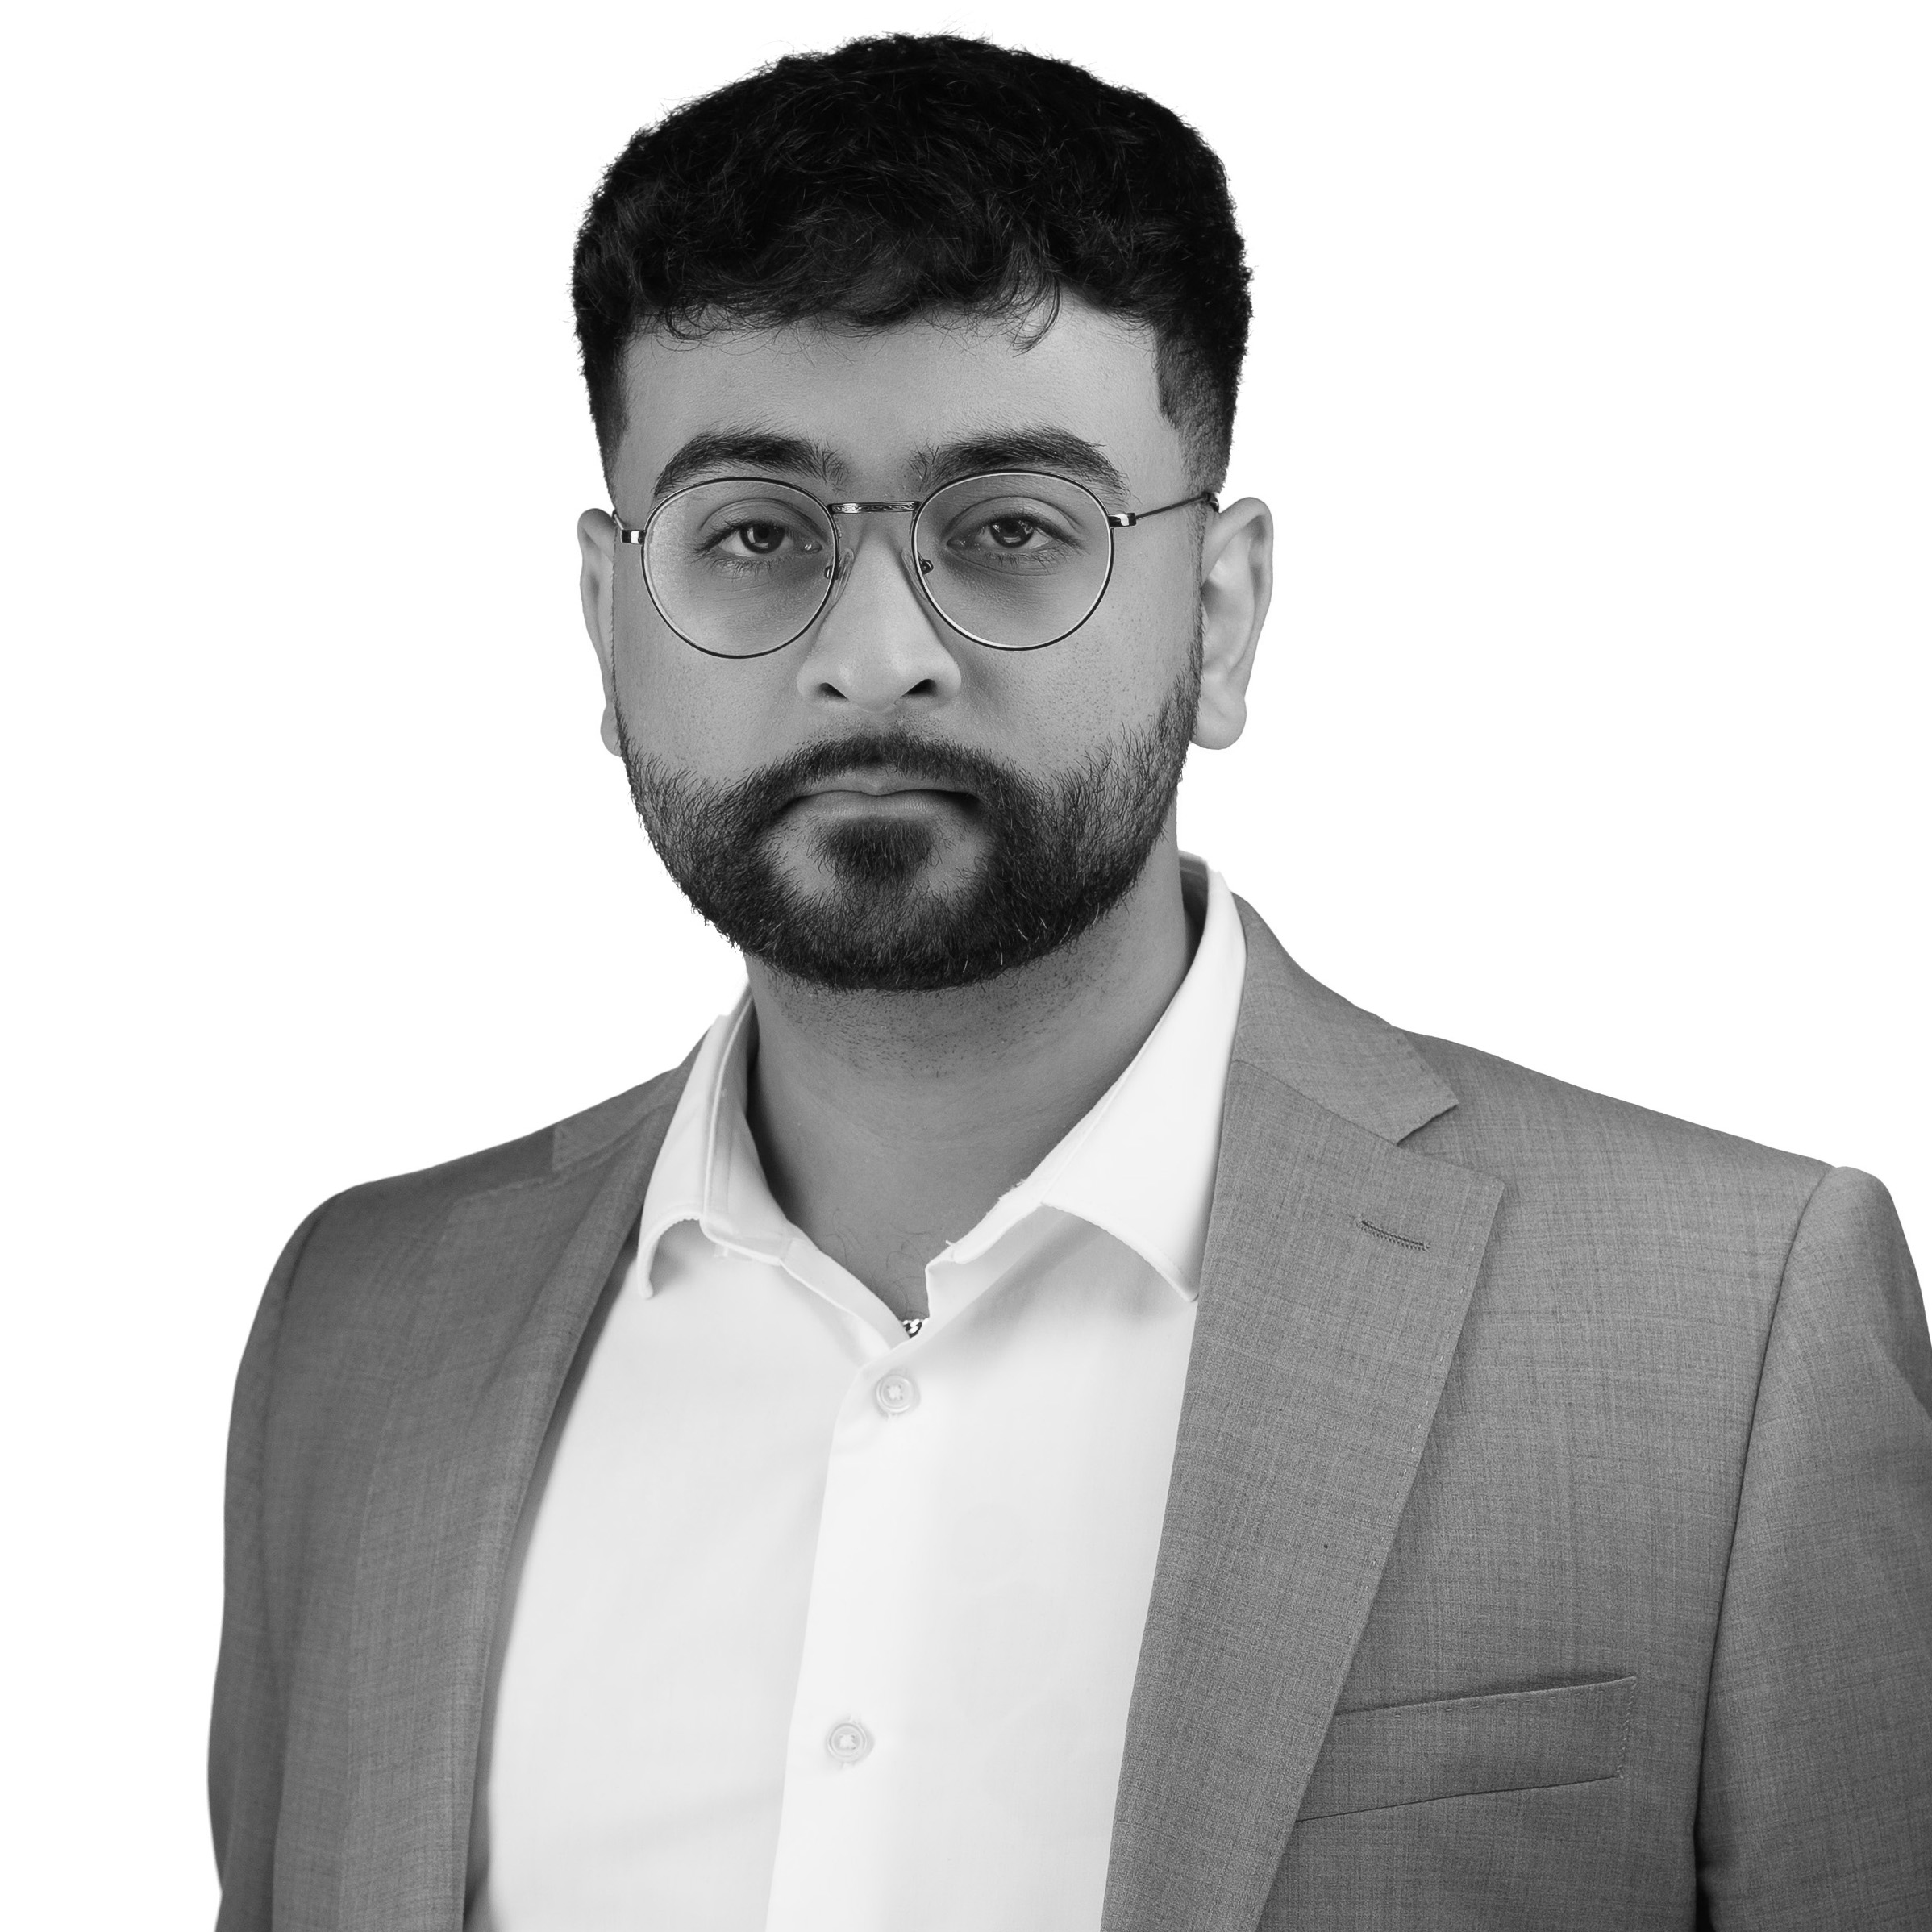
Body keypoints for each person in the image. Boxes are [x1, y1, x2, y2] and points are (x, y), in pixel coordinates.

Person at [208, 33, 1932, 1932]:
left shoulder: (1729, 1333)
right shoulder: (359, 1343)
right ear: (613, 624)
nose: (876, 655)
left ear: (1219, 616)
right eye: (756, 535)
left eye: (1011, 530)